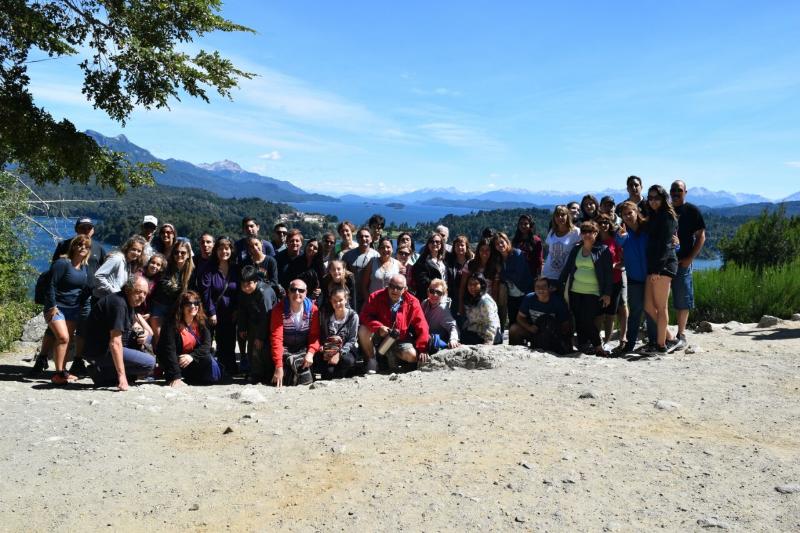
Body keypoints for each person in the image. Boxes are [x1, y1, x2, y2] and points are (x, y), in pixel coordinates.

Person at [33, 217, 107, 377]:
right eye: (82, 227)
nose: (86, 230)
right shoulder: (64, 246)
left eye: (89, 227)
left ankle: (76, 362)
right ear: (76, 229)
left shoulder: (99, 249)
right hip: (62, 299)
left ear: (93, 230)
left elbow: (103, 271)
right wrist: (52, 304)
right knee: (57, 333)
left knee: (82, 330)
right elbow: (53, 275)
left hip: (85, 297)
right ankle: (44, 359)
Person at [84, 275, 156, 390]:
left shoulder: (128, 302)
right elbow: (115, 343)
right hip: (101, 350)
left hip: (113, 346)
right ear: (128, 289)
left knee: (148, 338)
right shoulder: (118, 305)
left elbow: (140, 328)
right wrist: (122, 377)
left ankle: (109, 372)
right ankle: (104, 373)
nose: (142, 296)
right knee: (149, 363)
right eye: (138, 292)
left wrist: (145, 333)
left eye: (145, 293)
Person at [558, 220, 613, 357]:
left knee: (586, 319)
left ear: (596, 233)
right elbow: (567, 268)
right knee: (578, 318)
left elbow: (608, 274)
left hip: (593, 292)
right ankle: (583, 345)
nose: (587, 234)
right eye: (584, 232)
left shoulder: (603, 250)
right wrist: (559, 284)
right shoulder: (576, 249)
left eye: (590, 232)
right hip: (575, 290)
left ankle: (598, 346)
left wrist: (607, 293)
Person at [42, 235, 91, 384]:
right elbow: (51, 285)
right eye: (80, 244)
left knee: (67, 341)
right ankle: (58, 375)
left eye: (86, 246)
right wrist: (52, 306)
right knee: (63, 338)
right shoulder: (62, 263)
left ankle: (63, 371)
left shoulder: (84, 268)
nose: (83, 248)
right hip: (57, 308)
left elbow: (82, 289)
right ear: (73, 246)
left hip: (73, 309)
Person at [358, 274, 430, 373]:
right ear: (388, 285)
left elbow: (422, 325)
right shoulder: (375, 296)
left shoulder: (413, 302)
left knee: (412, 356)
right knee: (363, 330)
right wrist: (378, 327)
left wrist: (422, 349)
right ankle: (372, 360)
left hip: (401, 338)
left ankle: (389, 358)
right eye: (392, 286)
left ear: (405, 289)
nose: (394, 290)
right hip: (379, 336)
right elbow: (364, 316)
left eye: (399, 288)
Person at [616, 201, 658, 354]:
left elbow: (662, 244)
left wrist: (676, 245)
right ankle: (630, 344)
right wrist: (621, 237)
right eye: (624, 214)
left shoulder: (648, 228)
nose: (628, 216)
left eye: (630, 212)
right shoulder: (623, 232)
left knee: (651, 311)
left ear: (636, 211)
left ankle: (654, 342)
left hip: (651, 277)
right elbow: (618, 243)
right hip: (634, 279)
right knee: (635, 312)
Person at [157, 290, 223, 387]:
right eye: (188, 304)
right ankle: (176, 375)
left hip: (191, 359)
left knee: (207, 359)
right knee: (174, 360)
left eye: (196, 303)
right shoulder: (171, 324)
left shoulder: (202, 322)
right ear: (181, 307)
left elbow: (206, 345)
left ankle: (193, 378)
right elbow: (169, 351)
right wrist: (176, 377)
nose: (193, 306)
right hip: (175, 360)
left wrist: (191, 356)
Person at [670, 180, 706, 351]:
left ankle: (681, 334)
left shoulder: (692, 211)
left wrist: (690, 258)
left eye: (679, 190)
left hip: (683, 263)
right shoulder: (666, 210)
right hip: (665, 263)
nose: (676, 193)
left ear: (685, 192)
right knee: (659, 300)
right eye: (673, 190)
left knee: (683, 299)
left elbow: (701, 236)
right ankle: (662, 334)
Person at [644, 184, 679, 354]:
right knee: (649, 306)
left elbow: (666, 245)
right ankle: (670, 338)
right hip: (653, 266)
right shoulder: (654, 215)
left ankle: (661, 345)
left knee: (661, 306)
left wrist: (657, 269)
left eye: (656, 198)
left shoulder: (667, 216)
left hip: (663, 266)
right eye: (650, 198)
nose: (653, 201)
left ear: (664, 198)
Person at [269, 279, 321, 387]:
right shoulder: (278, 310)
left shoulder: (313, 310)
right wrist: (278, 366)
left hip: (303, 348)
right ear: (288, 292)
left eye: (301, 290)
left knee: (302, 370)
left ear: (306, 293)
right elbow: (276, 338)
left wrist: (310, 353)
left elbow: (314, 336)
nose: (297, 293)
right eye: (293, 290)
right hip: (285, 348)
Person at [200, 236, 239, 373]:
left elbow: (239, 291)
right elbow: (205, 293)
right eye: (221, 249)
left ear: (231, 250)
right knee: (208, 342)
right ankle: (209, 370)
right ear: (216, 251)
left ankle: (228, 369)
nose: (224, 252)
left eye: (227, 248)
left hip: (230, 313)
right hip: (213, 313)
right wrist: (211, 312)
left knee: (229, 342)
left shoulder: (235, 269)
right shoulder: (208, 268)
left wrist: (236, 310)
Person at [149, 240, 194, 349]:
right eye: (176, 252)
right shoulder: (166, 267)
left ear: (188, 255)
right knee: (159, 339)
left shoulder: (192, 272)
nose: (179, 255)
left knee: (170, 341)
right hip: (159, 307)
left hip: (175, 310)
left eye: (183, 252)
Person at [237, 266, 279, 384]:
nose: (246, 288)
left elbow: (266, 316)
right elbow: (242, 310)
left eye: (249, 284)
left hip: (269, 324)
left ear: (256, 281)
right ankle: (254, 372)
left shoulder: (264, 293)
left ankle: (263, 375)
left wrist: (260, 337)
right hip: (253, 322)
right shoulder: (244, 291)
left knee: (262, 349)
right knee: (251, 349)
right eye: (243, 285)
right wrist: (242, 327)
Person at [509, 277, 572, 354]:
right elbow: (520, 317)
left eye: (544, 286)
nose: (540, 289)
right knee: (514, 329)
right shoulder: (529, 298)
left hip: (552, 333)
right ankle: (517, 353)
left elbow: (565, 324)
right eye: (537, 286)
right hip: (534, 330)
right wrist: (529, 327)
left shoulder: (558, 302)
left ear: (549, 288)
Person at [596, 214, 628, 347]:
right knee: (598, 313)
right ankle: (596, 341)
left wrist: (615, 266)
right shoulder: (594, 240)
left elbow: (624, 260)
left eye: (606, 222)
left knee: (610, 313)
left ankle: (607, 342)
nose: (603, 225)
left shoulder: (616, 240)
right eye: (600, 222)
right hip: (597, 282)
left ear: (610, 224)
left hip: (615, 280)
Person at [317, 287, 359, 380]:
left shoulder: (353, 316)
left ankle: (347, 371)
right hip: (330, 350)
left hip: (346, 350)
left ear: (346, 299)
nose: (337, 303)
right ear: (331, 301)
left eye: (340, 300)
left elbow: (352, 339)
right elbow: (323, 336)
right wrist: (324, 349)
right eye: (334, 301)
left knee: (346, 360)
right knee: (328, 371)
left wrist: (339, 353)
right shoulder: (327, 316)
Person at [493, 231, 533, 328]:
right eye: (497, 244)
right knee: (513, 322)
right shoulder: (499, 259)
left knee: (526, 322)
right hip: (511, 296)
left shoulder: (517, 254)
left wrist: (501, 273)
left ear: (507, 242)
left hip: (524, 293)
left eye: (502, 242)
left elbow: (517, 276)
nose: (500, 245)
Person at [93, 235, 146, 299]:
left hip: (110, 299)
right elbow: (98, 275)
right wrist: (114, 292)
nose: (136, 253)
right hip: (100, 298)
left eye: (139, 251)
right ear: (127, 248)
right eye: (133, 249)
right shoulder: (117, 259)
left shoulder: (128, 264)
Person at [458, 238, 500, 317]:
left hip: (486, 303)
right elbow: (462, 287)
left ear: (491, 251)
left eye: (487, 250)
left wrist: (494, 309)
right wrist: (460, 306)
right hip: (470, 302)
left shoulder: (495, 267)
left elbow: (495, 290)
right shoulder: (470, 264)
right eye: (482, 250)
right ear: (478, 251)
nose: (484, 252)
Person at [541, 205, 581, 284]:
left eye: (562, 215)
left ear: (567, 216)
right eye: (557, 215)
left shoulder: (576, 232)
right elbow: (548, 250)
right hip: (547, 274)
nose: (560, 217)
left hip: (564, 276)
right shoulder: (552, 231)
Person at [461, 273, 502, 345]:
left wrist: (488, 342)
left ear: (482, 285)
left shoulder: (485, 301)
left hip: (491, 335)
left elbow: (491, 323)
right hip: (476, 332)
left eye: (475, 284)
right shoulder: (471, 299)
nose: (472, 287)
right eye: (470, 284)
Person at [341, 227, 378, 307]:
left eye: (366, 236)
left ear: (371, 239)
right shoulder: (348, 256)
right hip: (352, 296)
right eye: (361, 237)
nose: (363, 238)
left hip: (370, 295)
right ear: (357, 239)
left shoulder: (376, 255)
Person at [421, 279, 460, 352]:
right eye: (432, 291)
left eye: (438, 292)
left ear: (443, 294)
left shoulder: (443, 309)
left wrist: (453, 339)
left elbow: (453, 326)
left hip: (436, 342)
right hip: (424, 337)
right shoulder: (425, 303)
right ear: (428, 292)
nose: (434, 295)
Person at [413, 233, 447, 298]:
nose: (434, 244)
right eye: (432, 241)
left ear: (441, 244)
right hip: (431, 296)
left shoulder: (444, 259)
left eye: (437, 242)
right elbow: (422, 280)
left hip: (443, 295)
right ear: (428, 244)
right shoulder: (422, 261)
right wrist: (439, 285)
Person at [444, 235, 472, 315]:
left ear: (466, 247)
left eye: (462, 245)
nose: (460, 247)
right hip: (452, 298)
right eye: (457, 245)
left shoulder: (471, 263)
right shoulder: (449, 261)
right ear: (454, 247)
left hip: (467, 298)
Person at [512, 214, 543, 279]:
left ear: (530, 225)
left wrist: (538, 276)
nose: (523, 226)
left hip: (531, 275)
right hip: (517, 275)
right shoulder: (515, 240)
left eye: (526, 224)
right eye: (521, 223)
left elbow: (539, 260)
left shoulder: (536, 240)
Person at [139, 253, 166, 318]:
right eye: (153, 262)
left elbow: (151, 299)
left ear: (161, 268)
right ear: (148, 263)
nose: (154, 266)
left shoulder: (157, 281)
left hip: (143, 312)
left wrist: (149, 312)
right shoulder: (139, 274)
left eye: (158, 265)